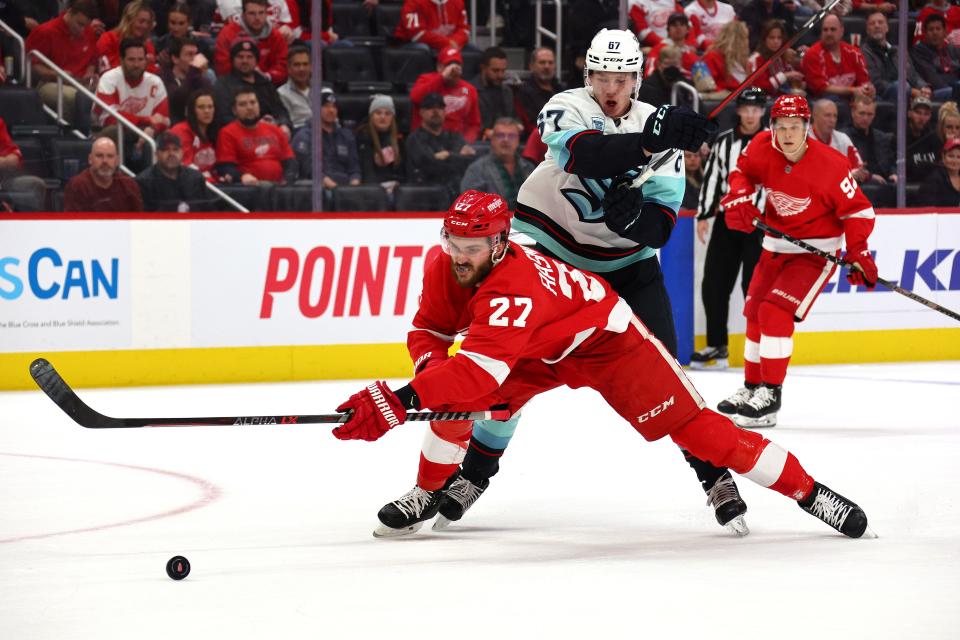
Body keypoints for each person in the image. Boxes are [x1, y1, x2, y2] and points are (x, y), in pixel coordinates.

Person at [331, 189, 871, 543]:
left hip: (605, 341)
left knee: (700, 432)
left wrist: (399, 400)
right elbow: (430, 332)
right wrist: (421, 381)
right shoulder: (445, 264)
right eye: (453, 242)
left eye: (472, 244)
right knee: (448, 396)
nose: (459, 253)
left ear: (499, 243)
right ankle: (429, 490)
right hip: (538, 346)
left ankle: (809, 491)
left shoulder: (510, 289)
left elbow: (478, 375)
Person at [458, 29, 745, 536]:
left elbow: (659, 226)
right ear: (587, 77)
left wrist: (631, 220)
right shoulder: (566, 106)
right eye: (602, 77)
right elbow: (588, 156)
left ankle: (714, 475)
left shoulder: (658, 132)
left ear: (636, 79)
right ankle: (473, 474)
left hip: (627, 267)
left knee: (670, 375)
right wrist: (654, 138)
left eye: (621, 78)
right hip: (550, 256)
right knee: (513, 363)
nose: (611, 88)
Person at [717, 94, 877, 428]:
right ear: (771, 127)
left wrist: (859, 251)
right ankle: (752, 388)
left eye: (795, 126)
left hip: (815, 253)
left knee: (774, 312)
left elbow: (858, 211)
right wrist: (739, 198)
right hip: (776, 245)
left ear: (807, 127)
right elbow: (741, 172)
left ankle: (770, 395)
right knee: (754, 313)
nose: (787, 134)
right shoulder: (762, 146)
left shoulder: (832, 164)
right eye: (781, 126)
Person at [693, 88, 767, 370]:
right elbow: (712, 178)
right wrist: (703, 215)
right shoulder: (724, 143)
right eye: (746, 108)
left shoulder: (772, 143)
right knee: (713, 284)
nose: (750, 114)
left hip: (759, 226)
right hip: (727, 223)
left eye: (756, 109)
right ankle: (716, 345)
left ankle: (759, 347)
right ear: (738, 110)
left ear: (762, 112)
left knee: (754, 287)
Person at [25, 0, 99, 131]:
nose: (82, 30)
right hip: (51, 83)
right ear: (69, 13)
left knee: (101, 93)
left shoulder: (89, 32)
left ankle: (97, 136)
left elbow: (92, 60)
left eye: (85, 26)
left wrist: (90, 73)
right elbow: (33, 65)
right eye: (79, 24)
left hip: (82, 83)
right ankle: (70, 135)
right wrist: (58, 74)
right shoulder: (45, 32)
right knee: (73, 97)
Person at [93, 36, 170, 163]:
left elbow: (164, 119)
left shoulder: (155, 82)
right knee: (113, 130)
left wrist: (153, 128)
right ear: (121, 60)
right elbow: (109, 117)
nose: (136, 64)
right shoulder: (109, 78)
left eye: (140, 59)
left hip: (145, 133)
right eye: (131, 60)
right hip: (116, 133)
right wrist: (145, 120)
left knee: (168, 136)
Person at [405, 92, 476, 203]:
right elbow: (430, 166)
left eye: (440, 107)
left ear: (445, 112)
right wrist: (458, 156)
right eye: (430, 108)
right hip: (426, 197)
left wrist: (448, 155)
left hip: (456, 195)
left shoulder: (454, 137)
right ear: (421, 112)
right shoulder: (415, 139)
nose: (435, 111)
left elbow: (471, 162)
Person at [216, 87, 296, 184]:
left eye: (253, 103)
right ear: (234, 110)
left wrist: (288, 178)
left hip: (280, 187)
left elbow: (289, 160)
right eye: (243, 104)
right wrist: (241, 177)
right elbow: (226, 166)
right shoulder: (227, 133)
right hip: (249, 189)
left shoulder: (275, 129)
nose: (249, 107)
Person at [213, 39, 291, 132]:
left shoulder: (264, 83)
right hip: (239, 134)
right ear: (233, 60)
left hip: (271, 131)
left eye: (249, 57)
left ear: (256, 61)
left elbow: (280, 110)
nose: (245, 61)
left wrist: (284, 124)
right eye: (240, 57)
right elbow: (223, 118)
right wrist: (256, 126)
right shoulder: (223, 85)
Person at [409, 46, 482, 143]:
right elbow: (415, 98)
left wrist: (465, 142)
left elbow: (474, 123)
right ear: (439, 67)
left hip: (456, 143)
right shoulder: (427, 80)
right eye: (448, 65)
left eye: (457, 64)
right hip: (426, 141)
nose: (453, 69)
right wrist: (442, 77)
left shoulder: (468, 90)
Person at [460, 117, 534, 209]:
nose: (506, 140)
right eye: (500, 135)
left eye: (511, 136)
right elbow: (469, 206)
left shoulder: (529, 168)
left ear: (518, 140)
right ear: (492, 139)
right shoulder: (477, 170)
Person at [293, 88, 361, 187]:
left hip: (345, 188)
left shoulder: (346, 136)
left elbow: (354, 168)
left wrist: (354, 184)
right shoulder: (304, 135)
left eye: (334, 107)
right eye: (326, 106)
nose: (331, 110)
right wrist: (332, 186)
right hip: (318, 188)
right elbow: (308, 168)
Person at [800, 14, 874, 101]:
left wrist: (868, 90)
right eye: (825, 30)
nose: (829, 33)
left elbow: (864, 82)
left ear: (841, 31)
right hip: (824, 100)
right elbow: (821, 89)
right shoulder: (812, 54)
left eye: (833, 29)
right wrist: (853, 90)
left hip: (853, 98)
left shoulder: (855, 53)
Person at [860, 10, 931, 102]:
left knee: (946, 93)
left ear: (887, 28)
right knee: (902, 87)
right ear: (867, 30)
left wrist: (923, 87)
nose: (877, 26)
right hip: (884, 94)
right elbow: (876, 82)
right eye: (872, 23)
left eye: (880, 22)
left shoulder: (899, 50)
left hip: (907, 90)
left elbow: (913, 75)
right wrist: (910, 91)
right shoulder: (863, 52)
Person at [214, 0, 289, 85]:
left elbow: (283, 66)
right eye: (252, 13)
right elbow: (223, 69)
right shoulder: (227, 34)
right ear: (243, 14)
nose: (257, 18)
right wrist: (248, 75)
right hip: (235, 86)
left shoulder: (275, 36)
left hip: (268, 84)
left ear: (266, 14)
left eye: (261, 13)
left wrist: (267, 76)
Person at [63, 137, 143, 211]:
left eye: (110, 156)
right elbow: (74, 224)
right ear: (90, 159)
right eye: (99, 156)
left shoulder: (129, 184)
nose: (105, 161)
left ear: (117, 160)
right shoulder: (77, 185)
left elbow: (139, 221)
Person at [135, 131, 210, 211]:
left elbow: (208, 212)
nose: (171, 154)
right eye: (165, 150)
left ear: (182, 152)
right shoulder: (143, 182)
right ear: (156, 154)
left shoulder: (196, 178)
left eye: (175, 149)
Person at [842, 95, 895, 185]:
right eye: (862, 113)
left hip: (884, 184)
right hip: (859, 185)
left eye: (869, 114)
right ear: (853, 113)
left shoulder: (881, 137)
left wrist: (894, 173)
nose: (866, 118)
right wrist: (870, 176)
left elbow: (892, 162)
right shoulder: (843, 138)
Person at [355, 94, 405, 190]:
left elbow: (403, 170)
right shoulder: (363, 135)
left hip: (395, 187)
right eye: (378, 113)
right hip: (375, 189)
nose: (383, 117)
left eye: (387, 113)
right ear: (371, 116)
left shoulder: (399, 137)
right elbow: (367, 171)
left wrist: (398, 186)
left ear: (392, 117)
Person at [160, 36, 213, 125]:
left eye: (195, 54)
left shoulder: (203, 80)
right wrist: (194, 71)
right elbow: (176, 102)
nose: (194, 59)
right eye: (189, 54)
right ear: (175, 59)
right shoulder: (164, 79)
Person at [747, 19, 805, 97]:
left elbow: (792, 76)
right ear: (764, 39)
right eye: (772, 38)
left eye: (779, 38)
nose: (776, 41)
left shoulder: (781, 57)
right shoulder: (757, 59)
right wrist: (785, 76)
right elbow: (759, 88)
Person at [97, 0, 159, 74]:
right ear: (129, 20)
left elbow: (152, 74)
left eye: (148, 22)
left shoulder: (148, 46)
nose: (145, 26)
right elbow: (106, 70)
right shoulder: (108, 39)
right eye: (141, 21)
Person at [171, 88, 219, 181]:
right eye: (201, 107)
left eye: (210, 107)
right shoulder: (181, 130)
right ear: (192, 110)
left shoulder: (216, 132)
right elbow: (185, 167)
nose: (206, 111)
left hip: (213, 184)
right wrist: (210, 180)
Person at [910, 13, 960, 102]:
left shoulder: (953, 50)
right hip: (935, 92)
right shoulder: (919, 51)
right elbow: (931, 77)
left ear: (945, 32)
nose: (935, 32)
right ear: (925, 33)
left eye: (938, 29)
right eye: (931, 29)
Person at [470, 47, 516, 140]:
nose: (500, 75)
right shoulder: (470, 90)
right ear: (483, 68)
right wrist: (485, 131)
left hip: (505, 138)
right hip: (480, 141)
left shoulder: (507, 91)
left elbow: (513, 116)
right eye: (495, 71)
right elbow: (469, 124)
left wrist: (517, 125)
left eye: (503, 71)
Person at [515, 47, 564, 136]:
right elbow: (531, 124)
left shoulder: (562, 90)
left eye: (550, 63)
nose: (547, 66)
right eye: (542, 62)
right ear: (531, 66)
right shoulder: (524, 92)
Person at [809, 99, 864, 173]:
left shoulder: (842, 139)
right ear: (815, 116)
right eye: (827, 115)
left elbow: (858, 168)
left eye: (835, 116)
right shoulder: (801, 139)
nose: (832, 120)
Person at [392, 0, 469, 52]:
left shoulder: (457, 1)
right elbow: (417, 34)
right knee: (423, 49)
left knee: (474, 51)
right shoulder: (414, 1)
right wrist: (447, 43)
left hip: (449, 43)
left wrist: (456, 42)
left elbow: (464, 29)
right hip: (408, 43)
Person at [701, 21, 751, 94]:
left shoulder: (744, 61)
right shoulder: (712, 57)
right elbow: (708, 86)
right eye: (745, 38)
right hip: (723, 101)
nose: (747, 42)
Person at [644, 13, 699, 79]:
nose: (678, 28)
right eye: (674, 25)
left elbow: (703, 80)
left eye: (682, 24)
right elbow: (649, 74)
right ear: (668, 30)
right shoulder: (658, 49)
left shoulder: (691, 55)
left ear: (687, 30)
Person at [277, 45, 311, 131]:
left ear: (311, 67)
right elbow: (288, 125)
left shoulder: (321, 90)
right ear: (288, 68)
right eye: (297, 65)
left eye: (305, 64)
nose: (301, 69)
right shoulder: (281, 94)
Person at [906, 95, 939, 181]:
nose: (922, 118)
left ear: (930, 116)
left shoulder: (934, 137)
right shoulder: (900, 138)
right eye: (918, 112)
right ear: (909, 113)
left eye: (926, 114)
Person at [920, 137, 960, 206]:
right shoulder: (933, 180)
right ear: (943, 157)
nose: (955, 160)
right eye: (951, 156)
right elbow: (929, 209)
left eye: (959, 157)